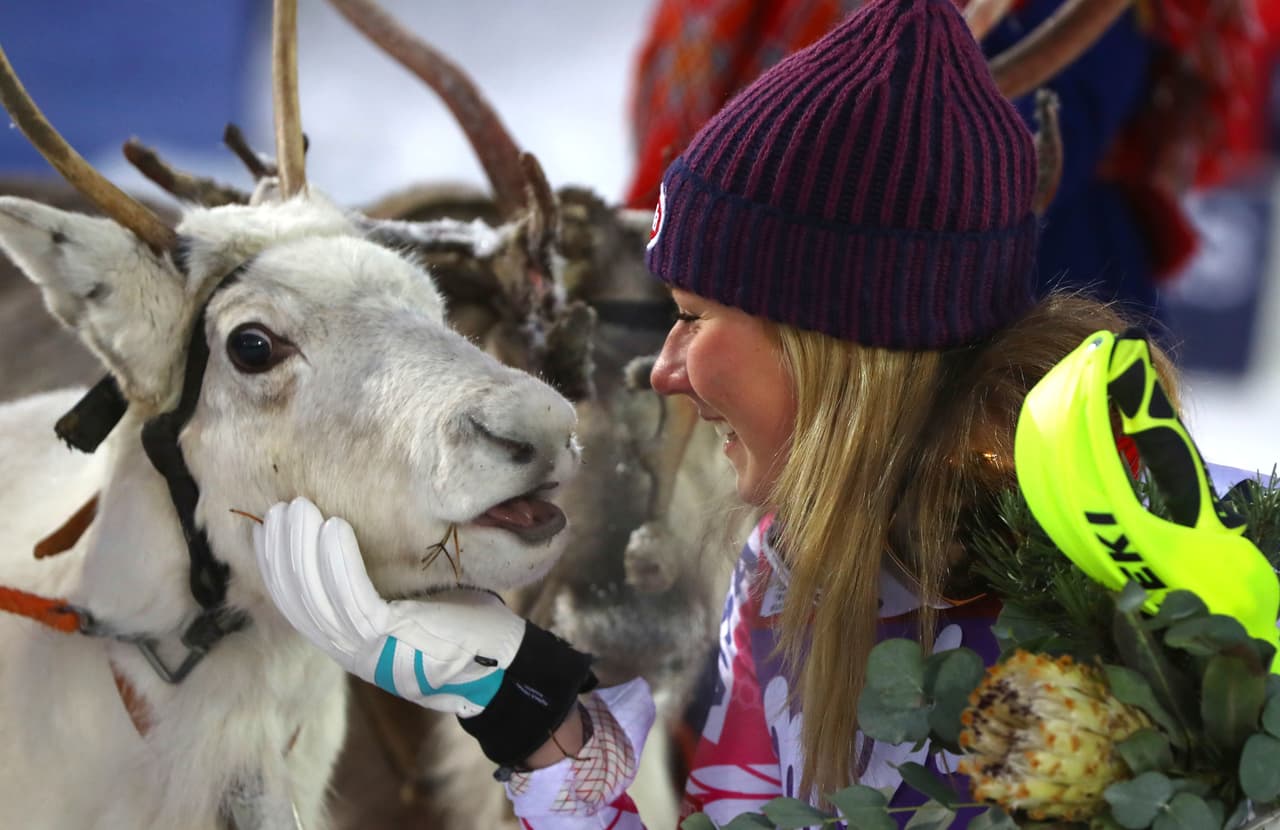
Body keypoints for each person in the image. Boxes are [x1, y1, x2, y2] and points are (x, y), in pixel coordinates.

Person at [252, 0, 1183, 825]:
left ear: (837, 337)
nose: (664, 370)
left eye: (693, 317)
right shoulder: (784, 581)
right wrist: (529, 716)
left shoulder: (1151, 615)